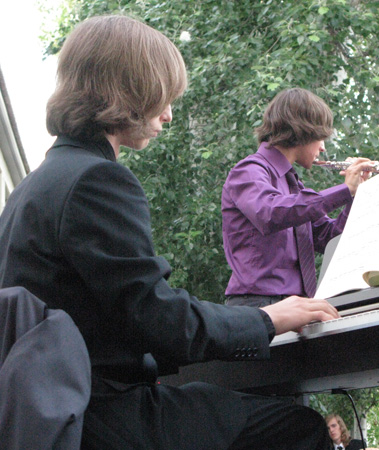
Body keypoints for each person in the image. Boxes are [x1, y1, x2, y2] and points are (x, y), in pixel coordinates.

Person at [0, 15, 340, 450]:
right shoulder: (97, 179)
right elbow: (161, 320)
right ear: (129, 93)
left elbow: (123, 318)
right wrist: (266, 319)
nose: (169, 114)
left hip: (55, 410)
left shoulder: (32, 187)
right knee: (299, 428)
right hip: (101, 413)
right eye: (163, 97)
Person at [221, 87, 373, 307]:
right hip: (257, 304)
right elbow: (270, 213)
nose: (322, 147)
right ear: (303, 131)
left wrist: (357, 195)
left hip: (295, 304)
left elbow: (329, 238)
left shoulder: (293, 184)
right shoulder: (249, 171)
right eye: (321, 137)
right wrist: (343, 190)